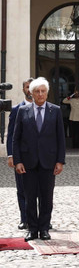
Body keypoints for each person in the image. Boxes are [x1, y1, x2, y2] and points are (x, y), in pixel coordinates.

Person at [11, 77, 66, 242]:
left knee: (46, 197)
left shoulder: (55, 111)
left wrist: (60, 161)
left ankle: (44, 229)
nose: (40, 94)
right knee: (29, 197)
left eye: (43, 91)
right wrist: (17, 161)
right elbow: (16, 138)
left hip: (48, 161)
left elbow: (60, 138)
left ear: (47, 93)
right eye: (37, 91)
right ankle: (32, 229)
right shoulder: (23, 111)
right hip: (28, 162)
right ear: (31, 93)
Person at [6, 78, 34, 231]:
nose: (30, 90)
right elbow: (11, 134)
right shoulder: (17, 109)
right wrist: (11, 155)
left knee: (41, 191)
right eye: (27, 87)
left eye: (32, 87)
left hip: (40, 157)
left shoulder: (45, 108)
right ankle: (25, 219)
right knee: (22, 189)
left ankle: (41, 220)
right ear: (23, 89)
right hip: (21, 157)